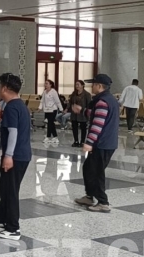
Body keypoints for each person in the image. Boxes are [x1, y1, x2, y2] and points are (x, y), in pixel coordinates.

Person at [0, 73, 31, 240]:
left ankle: (13, 228)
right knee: (5, 188)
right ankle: (1, 220)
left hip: (16, 156)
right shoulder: (20, 105)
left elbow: (13, 133)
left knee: (10, 191)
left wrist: (9, 155)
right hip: (20, 154)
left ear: (4, 88)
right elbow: (9, 133)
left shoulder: (11, 107)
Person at [72, 74, 119, 213]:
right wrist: (83, 111)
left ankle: (103, 202)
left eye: (93, 84)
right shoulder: (109, 99)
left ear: (99, 86)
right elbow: (97, 114)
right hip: (107, 142)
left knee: (96, 172)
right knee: (88, 168)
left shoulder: (102, 101)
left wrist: (89, 142)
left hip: (102, 143)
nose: (91, 87)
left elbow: (98, 124)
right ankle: (89, 196)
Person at [68, 81, 92, 148]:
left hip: (82, 114)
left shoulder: (87, 94)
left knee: (83, 128)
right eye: (76, 84)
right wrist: (69, 108)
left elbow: (89, 105)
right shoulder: (74, 93)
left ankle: (82, 141)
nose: (77, 86)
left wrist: (83, 110)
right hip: (74, 113)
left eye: (78, 84)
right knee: (74, 127)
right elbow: (70, 102)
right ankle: (76, 141)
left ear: (82, 85)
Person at [39, 80, 63, 144]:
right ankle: (55, 137)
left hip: (53, 109)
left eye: (47, 83)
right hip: (47, 110)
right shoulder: (44, 92)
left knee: (50, 122)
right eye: (45, 83)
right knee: (50, 123)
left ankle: (48, 136)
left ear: (50, 85)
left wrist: (61, 109)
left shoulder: (54, 92)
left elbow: (57, 101)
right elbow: (42, 100)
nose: (45, 85)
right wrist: (40, 108)